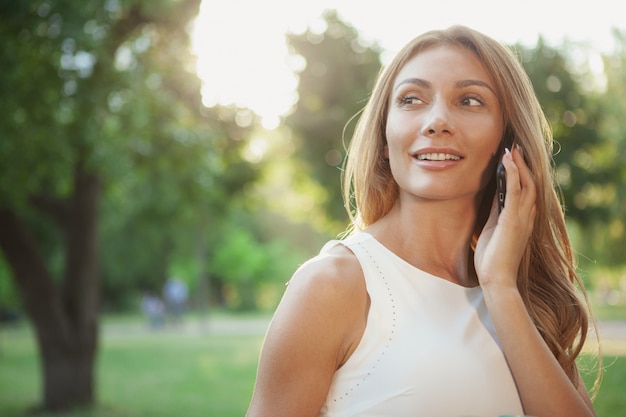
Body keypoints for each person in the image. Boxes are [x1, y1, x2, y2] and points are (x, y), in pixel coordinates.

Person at [246, 25, 601, 417]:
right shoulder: (333, 285)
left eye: (469, 100)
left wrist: (500, 284)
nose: (436, 121)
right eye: (411, 99)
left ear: (509, 143)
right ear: (385, 136)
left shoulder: (522, 292)